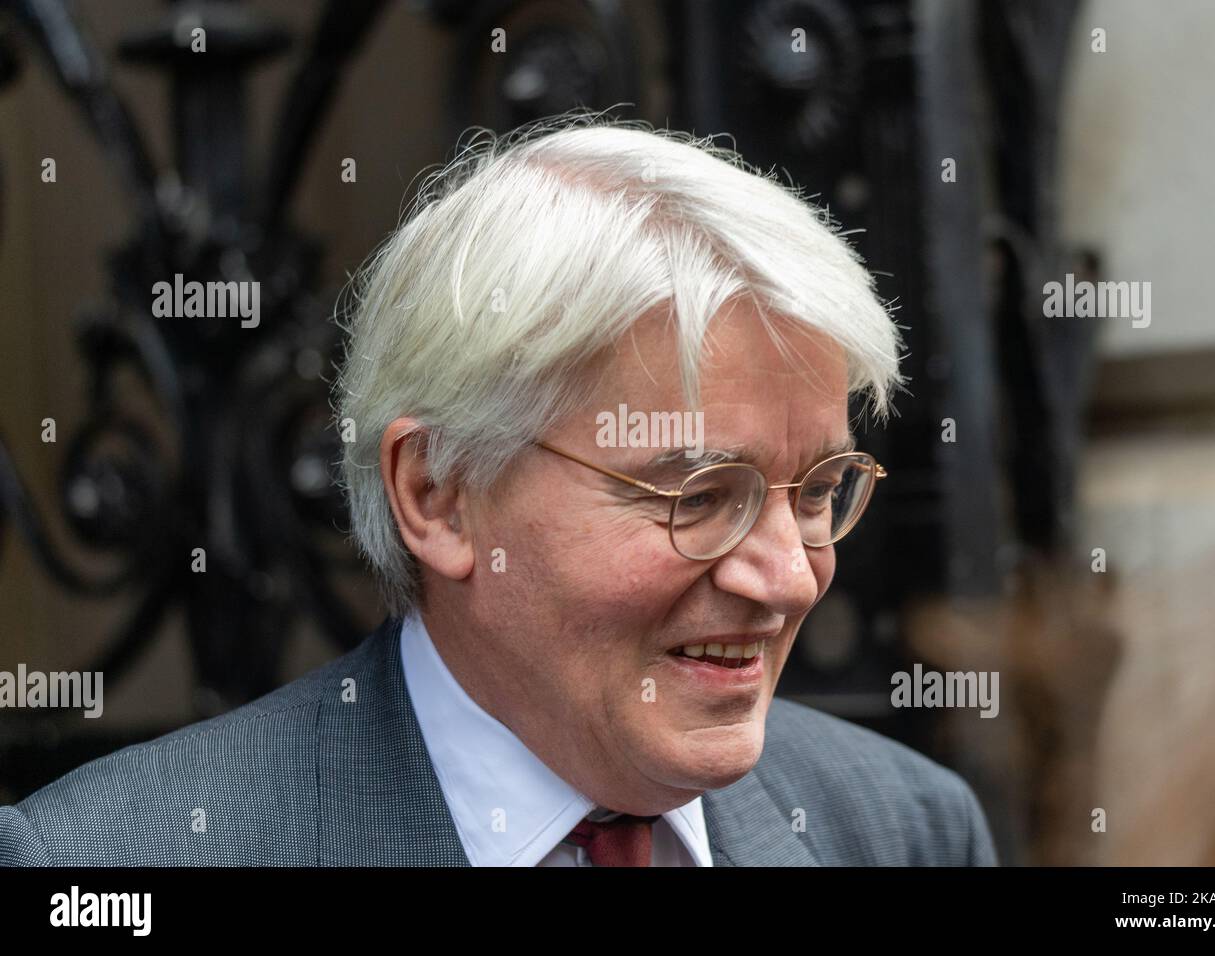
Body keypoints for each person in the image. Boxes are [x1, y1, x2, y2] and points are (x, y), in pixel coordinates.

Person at [0, 113, 996, 866]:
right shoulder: (110, 861)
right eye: (698, 492)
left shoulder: (904, 827)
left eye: (817, 487)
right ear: (437, 494)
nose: (786, 576)